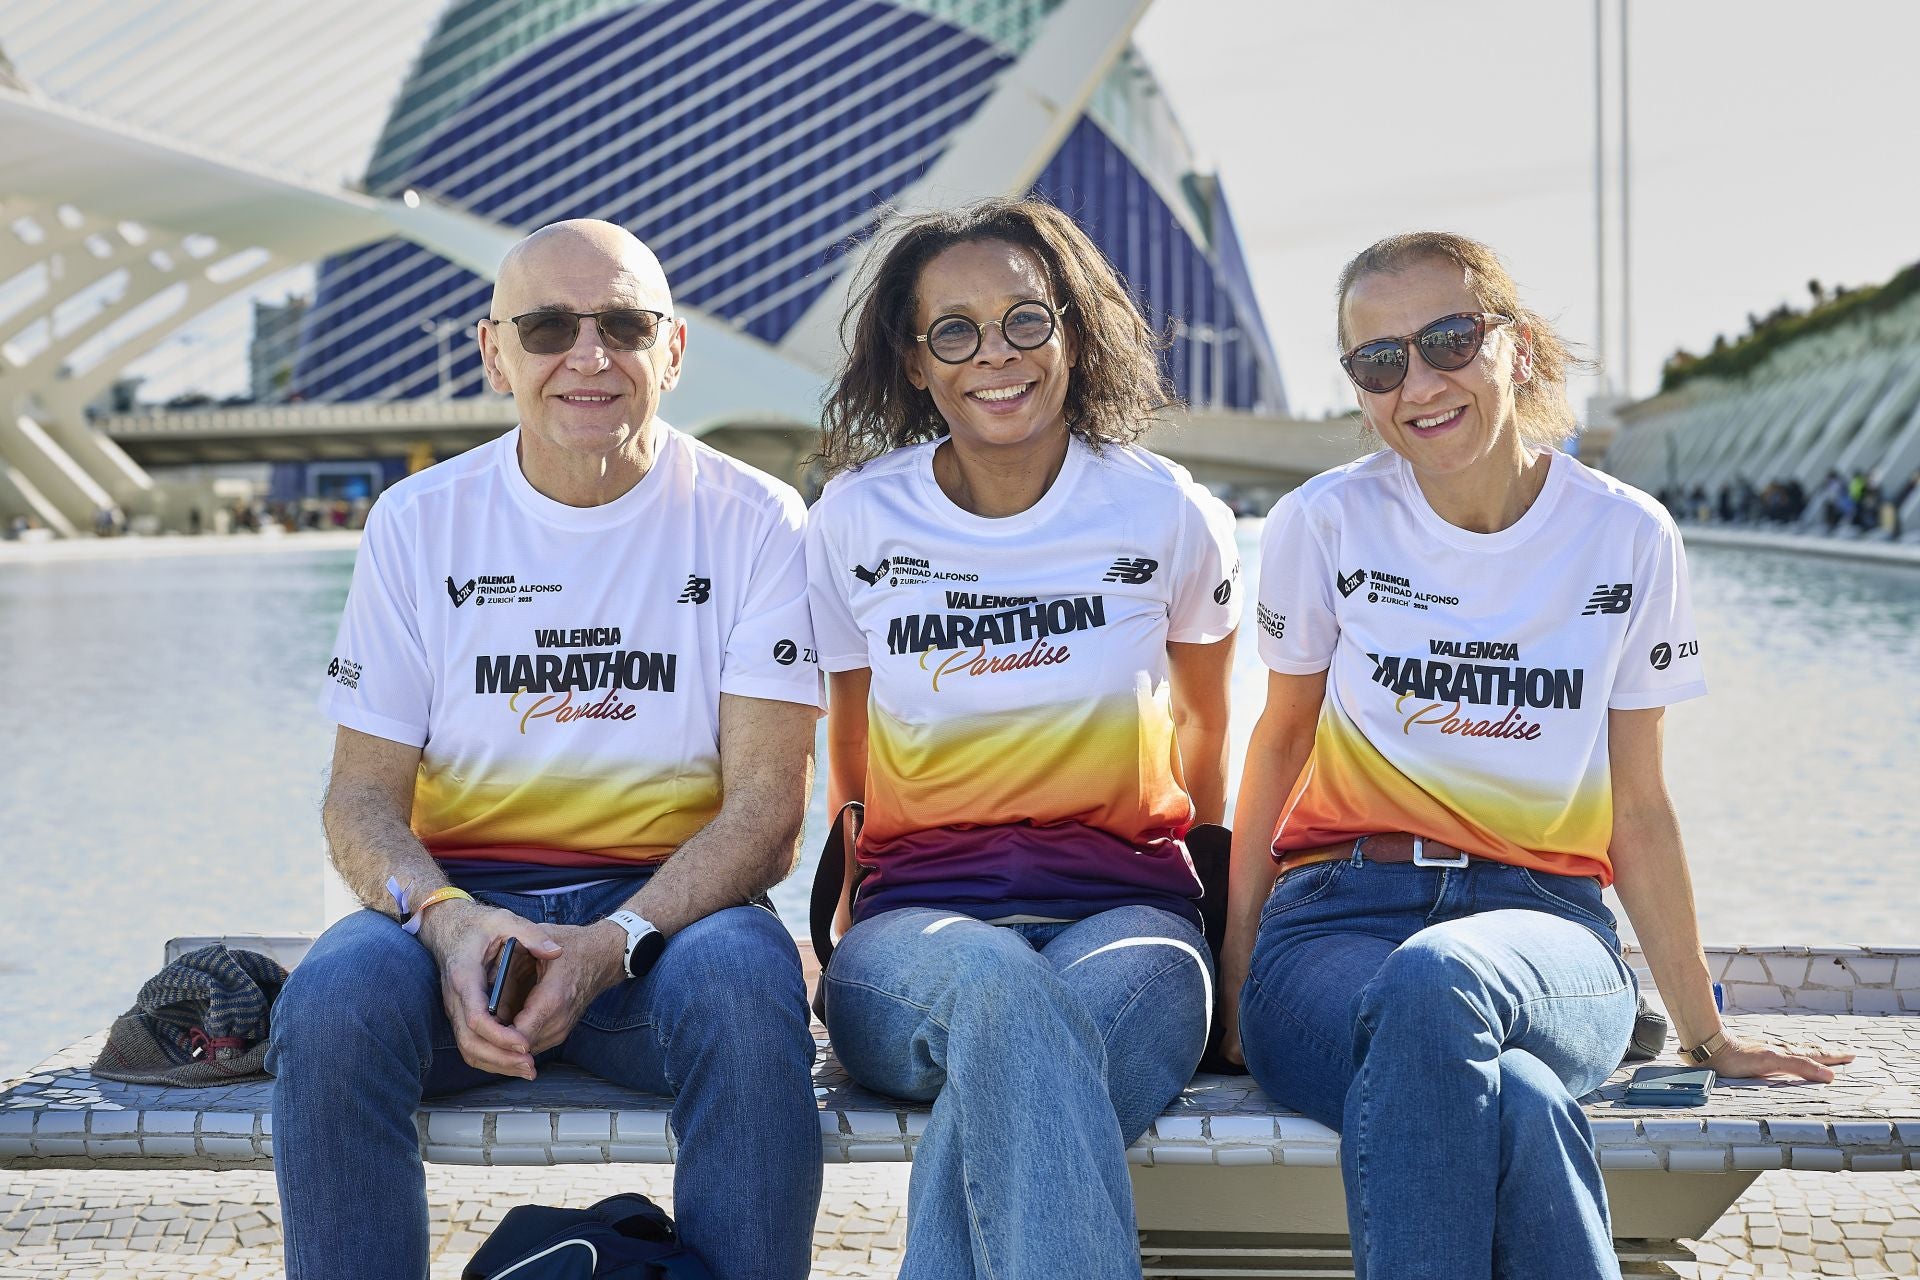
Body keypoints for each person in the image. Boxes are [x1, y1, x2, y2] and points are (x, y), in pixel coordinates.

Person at [1218, 231, 1852, 1280]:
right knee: (1516, 1094)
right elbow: (1278, 741)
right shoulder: (1321, 523)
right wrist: (1240, 969)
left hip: (1550, 932)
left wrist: (1705, 1026)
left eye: (1448, 339)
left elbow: (1639, 808)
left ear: (1514, 344)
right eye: (1380, 362)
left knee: (1439, 980)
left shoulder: (1626, 536)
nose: (1417, 382)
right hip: (1329, 931)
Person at [267, 220, 825, 1280]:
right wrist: (447, 920)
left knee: (750, 990)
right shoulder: (418, 521)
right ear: (494, 352)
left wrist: (613, 939)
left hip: (667, 933)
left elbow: (765, 811)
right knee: (333, 999)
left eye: (622, 322)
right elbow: (360, 801)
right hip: (459, 924)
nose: (588, 353)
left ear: (672, 348)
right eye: (547, 325)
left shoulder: (758, 520)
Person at [805, 198, 1237, 1278]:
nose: (993, 354)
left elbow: (1207, 729)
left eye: (1024, 321)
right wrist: (854, 912)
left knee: (1018, 1049)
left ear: (1075, 335)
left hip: (1134, 924)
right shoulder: (856, 520)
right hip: (912, 937)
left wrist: (1228, 935)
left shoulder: (1165, 512)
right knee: (999, 988)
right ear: (913, 362)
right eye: (953, 330)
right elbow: (845, 750)